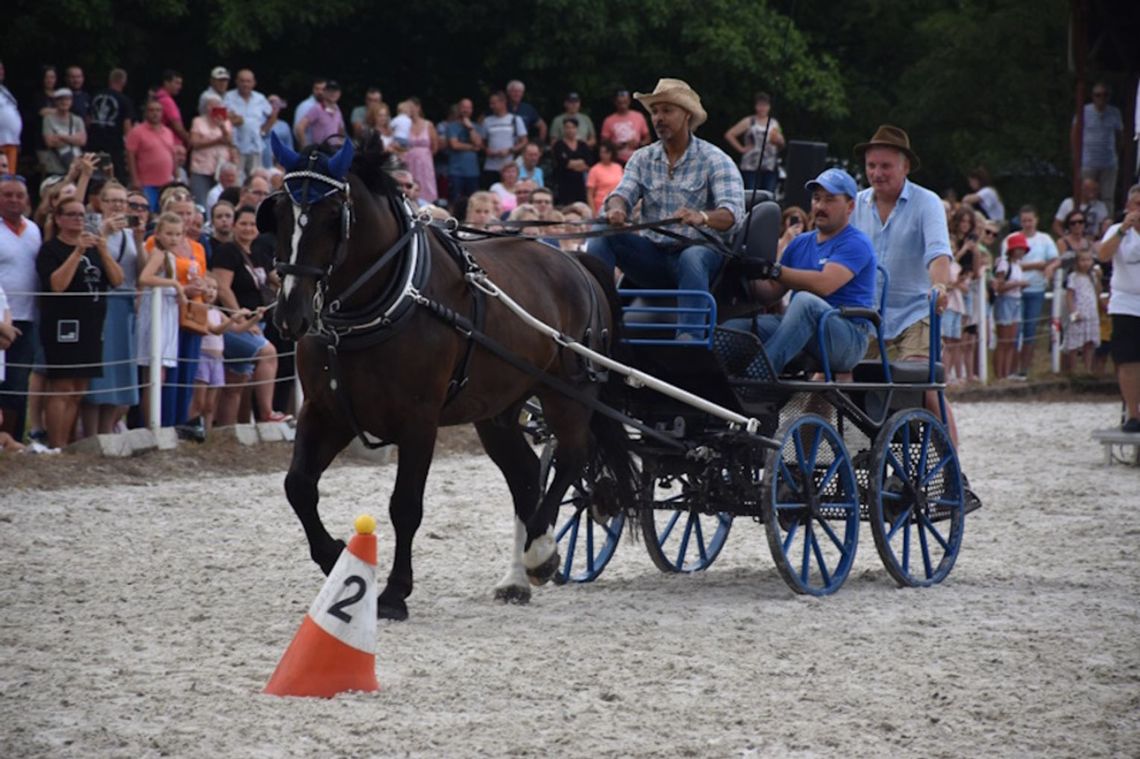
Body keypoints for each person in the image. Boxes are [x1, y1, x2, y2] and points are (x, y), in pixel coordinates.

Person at [588, 78, 743, 338]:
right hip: (653, 256)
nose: (658, 118)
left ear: (687, 116)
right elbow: (620, 195)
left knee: (692, 256)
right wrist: (617, 209)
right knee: (603, 230)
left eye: (667, 111)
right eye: (655, 111)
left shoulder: (716, 159)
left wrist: (702, 217)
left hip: (700, 255)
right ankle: (598, 324)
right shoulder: (642, 158)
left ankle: (690, 338)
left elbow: (733, 215)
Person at [850, 125, 962, 445]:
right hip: (866, 317)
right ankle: (809, 458)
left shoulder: (927, 202)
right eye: (872, 166)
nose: (877, 173)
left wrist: (940, 286)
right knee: (828, 382)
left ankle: (956, 471)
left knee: (924, 387)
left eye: (885, 166)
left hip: (915, 313)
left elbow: (939, 252)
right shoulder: (855, 204)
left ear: (905, 167)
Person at [724, 168, 875, 375]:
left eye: (830, 199)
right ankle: (711, 391)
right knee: (732, 330)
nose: (820, 206)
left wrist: (773, 270)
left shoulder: (856, 242)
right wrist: (743, 272)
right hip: (800, 328)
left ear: (850, 206)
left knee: (805, 302)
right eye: (816, 198)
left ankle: (759, 377)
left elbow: (825, 285)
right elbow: (771, 293)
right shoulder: (800, 243)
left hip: (848, 337)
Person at [36, 197, 124, 448]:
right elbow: (57, 285)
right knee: (62, 385)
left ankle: (66, 443)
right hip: (62, 324)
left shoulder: (97, 248)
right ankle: (56, 443)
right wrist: (77, 252)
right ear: (59, 219)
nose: (78, 218)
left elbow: (118, 280)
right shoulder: (51, 249)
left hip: (92, 324)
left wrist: (104, 250)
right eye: (72, 214)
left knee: (78, 389)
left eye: (81, 214)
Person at [209, 205, 284, 425]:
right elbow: (223, 288)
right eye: (243, 223)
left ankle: (228, 430)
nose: (248, 228)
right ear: (234, 226)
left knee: (237, 381)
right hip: (233, 323)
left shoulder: (258, 252)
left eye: (252, 224)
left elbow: (272, 278)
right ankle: (267, 413)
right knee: (268, 354)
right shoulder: (227, 251)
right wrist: (240, 319)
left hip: (256, 321)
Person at [82, 181, 142, 435]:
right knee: (98, 374)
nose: (118, 205)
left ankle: (107, 431)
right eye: (112, 200)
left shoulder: (129, 234)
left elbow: (140, 271)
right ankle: (90, 432)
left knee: (118, 373)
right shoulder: (91, 227)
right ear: (101, 202)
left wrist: (139, 240)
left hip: (124, 304)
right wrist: (103, 233)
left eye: (122, 201)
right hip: (100, 302)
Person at [183, 275, 259, 438]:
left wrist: (254, 319)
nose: (212, 292)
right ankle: (192, 428)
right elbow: (215, 330)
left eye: (215, 288)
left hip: (218, 360)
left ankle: (208, 433)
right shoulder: (199, 308)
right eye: (208, 287)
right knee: (199, 401)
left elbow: (238, 329)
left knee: (210, 404)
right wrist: (233, 318)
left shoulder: (217, 312)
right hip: (203, 358)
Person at [0, 174, 42, 442]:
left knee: (18, 382)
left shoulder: (34, 229)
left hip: (28, 317)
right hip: (2, 316)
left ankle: (12, 437)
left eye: (19, 195)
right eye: (8, 194)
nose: (14, 200)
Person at [136, 211, 186, 428]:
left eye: (177, 234)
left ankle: (155, 420)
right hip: (155, 316)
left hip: (167, 316)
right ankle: (151, 423)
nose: (173, 238)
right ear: (158, 233)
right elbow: (145, 278)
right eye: (169, 233)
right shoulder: (158, 253)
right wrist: (175, 285)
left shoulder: (171, 256)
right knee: (154, 375)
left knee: (159, 375)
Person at [1096, 184, 1140, 432]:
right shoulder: (1117, 231)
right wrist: (1124, 229)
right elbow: (1102, 255)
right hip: (1126, 302)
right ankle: (1133, 415)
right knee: (1128, 360)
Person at [1001, 205, 1059, 379]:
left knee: (1030, 329)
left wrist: (1049, 268)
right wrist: (1037, 265)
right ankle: (1009, 370)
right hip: (1014, 291)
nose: (1027, 224)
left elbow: (1055, 259)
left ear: (1036, 220)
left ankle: (1024, 370)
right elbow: (1006, 262)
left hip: (1036, 289)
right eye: (1024, 220)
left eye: (1030, 220)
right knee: (1014, 331)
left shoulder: (1045, 239)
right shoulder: (1011, 238)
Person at [1073, 83, 1124, 216]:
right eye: (1098, 95)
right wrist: (1076, 157)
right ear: (1093, 97)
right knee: (1086, 195)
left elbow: (1120, 136)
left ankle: (1107, 224)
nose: (1101, 98)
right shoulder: (1084, 111)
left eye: (1104, 95)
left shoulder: (1114, 112)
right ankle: (1083, 222)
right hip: (1088, 162)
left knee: (1107, 197)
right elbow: (1074, 133)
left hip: (1109, 162)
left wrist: (1115, 154)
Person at [723, 92, 784, 192]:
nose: (762, 108)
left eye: (765, 105)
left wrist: (779, 141)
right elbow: (730, 134)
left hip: (770, 165)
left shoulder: (774, 123)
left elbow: (781, 142)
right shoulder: (749, 121)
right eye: (760, 105)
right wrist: (741, 149)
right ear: (756, 106)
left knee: (769, 193)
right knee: (751, 192)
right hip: (751, 165)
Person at [223, 69, 278, 177]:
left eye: (248, 81)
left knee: (255, 178)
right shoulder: (228, 97)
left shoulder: (260, 98)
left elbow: (272, 115)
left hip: (255, 146)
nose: (245, 84)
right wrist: (234, 119)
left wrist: (263, 131)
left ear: (254, 83)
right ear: (236, 82)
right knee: (236, 179)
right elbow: (223, 117)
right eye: (242, 81)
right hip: (235, 146)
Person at [125, 99, 177, 211]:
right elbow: (130, 156)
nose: (155, 113)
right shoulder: (137, 132)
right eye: (152, 110)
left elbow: (173, 154)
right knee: (147, 211)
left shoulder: (168, 132)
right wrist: (135, 179)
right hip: (146, 183)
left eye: (158, 110)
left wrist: (176, 175)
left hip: (167, 183)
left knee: (166, 212)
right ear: (146, 113)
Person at [86, 68, 134, 182]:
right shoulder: (124, 100)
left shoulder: (95, 96)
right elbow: (127, 127)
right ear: (123, 81)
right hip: (114, 146)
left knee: (93, 177)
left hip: (93, 144)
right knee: (115, 178)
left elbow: (87, 121)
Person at [188, 96, 237, 207]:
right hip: (201, 167)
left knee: (221, 197)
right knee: (200, 199)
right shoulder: (198, 121)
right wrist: (217, 141)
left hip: (220, 167)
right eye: (210, 105)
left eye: (217, 106)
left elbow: (229, 141)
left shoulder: (226, 122)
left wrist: (222, 127)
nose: (213, 108)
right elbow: (194, 143)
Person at [993, 232, 1029, 379]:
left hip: (1016, 301)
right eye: (1018, 248)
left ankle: (1006, 373)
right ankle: (999, 374)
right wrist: (1017, 284)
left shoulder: (1018, 265)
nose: (1020, 251)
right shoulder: (1004, 264)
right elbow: (999, 287)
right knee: (1003, 341)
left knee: (1011, 341)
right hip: (1005, 301)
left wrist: (1020, 286)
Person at [1063, 248, 1101, 374]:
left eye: (1088, 260)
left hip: (1091, 313)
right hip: (1079, 312)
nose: (1086, 263)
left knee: (1089, 343)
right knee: (1074, 343)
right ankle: (1072, 370)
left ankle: (1087, 370)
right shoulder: (1073, 277)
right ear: (1077, 262)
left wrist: (1099, 278)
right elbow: (1069, 296)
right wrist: (1073, 312)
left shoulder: (1093, 276)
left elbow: (1097, 292)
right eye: (1083, 260)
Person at [481, 91, 527, 188]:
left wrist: (510, 150)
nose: (491, 106)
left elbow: (524, 141)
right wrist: (486, 150)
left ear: (503, 102)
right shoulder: (487, 121)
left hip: (509, 166)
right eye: (490, 103)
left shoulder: (515, 119)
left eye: (494, 103)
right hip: (490, 166)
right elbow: (482, 142)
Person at [444, 98, 483, 203]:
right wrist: (472, 147)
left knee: (473, 201)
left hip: (473, 172)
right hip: (456, 171)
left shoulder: (476, 127)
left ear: (472, 110)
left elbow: (479, 144)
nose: (466, 110)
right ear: (459, 109)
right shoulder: (451, 126)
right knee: (455, 201)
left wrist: (470, 128)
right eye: (464, 107)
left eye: (469, 107)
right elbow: (454, 145)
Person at [41, 89, 86, 176]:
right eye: (61, 99)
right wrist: (73, 138)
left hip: (76, 163)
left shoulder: (77, 120)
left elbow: (82, 140)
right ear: (56, 102)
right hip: (55, 165)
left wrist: (60, 136)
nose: (64, 102)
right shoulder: (48, 119)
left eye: (67, 99)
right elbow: (50, 142)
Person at [600, 88, 650, 165]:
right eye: (620, 102)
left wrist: (639, 143)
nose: (623, 104)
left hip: (638, 158)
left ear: (629, 101)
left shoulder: (639, 116)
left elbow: (648, 138)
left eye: (625, 102)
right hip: (617, 161)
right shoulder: (609, 120)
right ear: (615, 102)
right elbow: (604, 143)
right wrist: (616, 146)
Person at [403, 98, 439, 203]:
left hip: (424, 162)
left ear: (418, 107)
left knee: (427, 185)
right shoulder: (404, 125)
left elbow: (435, 146)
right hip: (408, 160)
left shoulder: (428, 124)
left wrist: (424, 156)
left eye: (412, 107)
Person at [551, 117, 592, 205]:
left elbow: (588, 164)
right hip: (564, 183)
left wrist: (572, 163)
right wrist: (580, 162)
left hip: (580, 184)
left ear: (576, 129)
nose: (570, 130)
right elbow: (563, 163)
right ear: (564, 129)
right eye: (567, 127)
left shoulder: (583, 145)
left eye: (572, 127)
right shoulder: (559, 145)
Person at [294, 80, 344, 146]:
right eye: (330, 91)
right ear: (325, 92)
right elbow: (300, 127)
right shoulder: (317, 108)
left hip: (334, 151)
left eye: (335, 91)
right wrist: (305, 147)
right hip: (320, 151)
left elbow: (341, 129)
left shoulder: (337, 110)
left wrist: (341, 143)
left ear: (339, 94)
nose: (333, 94)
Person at [155, 69, 190, 148]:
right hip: (171, 143)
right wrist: (188, 140)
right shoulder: (167, 101)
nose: (180, 87)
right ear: (166, 83)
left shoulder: (157, 98)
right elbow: (177, 127)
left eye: (180, 84)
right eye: (177, 83)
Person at [585, 140, 622, 215]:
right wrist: (593, 212)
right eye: (601, 152)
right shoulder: (594, 170)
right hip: (602, 206)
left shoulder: (618, 167)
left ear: (611, 153)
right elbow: (589, 194)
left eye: (606, 152)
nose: (603, 155)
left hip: (618, 205)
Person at [0, 62, 22, 174]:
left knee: (9, 176)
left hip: (11, 140)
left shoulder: (4, 90)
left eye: (2, 69)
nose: (1, 72)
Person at [292, 77, 327, 146]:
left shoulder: (330, 106)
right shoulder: (305, 106)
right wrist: (306, 147)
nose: (320, 92)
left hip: (327, 149)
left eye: (323, 89)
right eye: (317, 89)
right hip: (311, 148)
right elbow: (298, 130)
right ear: (313, 89)